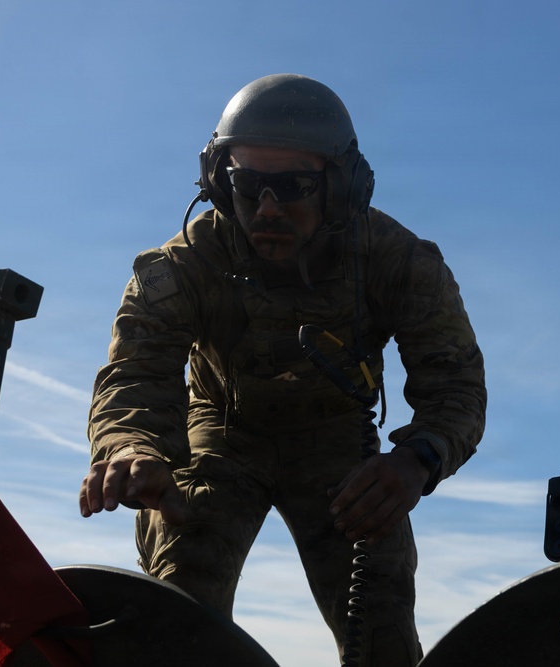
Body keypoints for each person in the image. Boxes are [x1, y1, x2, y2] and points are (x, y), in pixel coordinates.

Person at [78, 73, 486, 666]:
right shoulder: (184, 264)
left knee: (380, 619)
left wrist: (415, 462)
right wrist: (132, 448)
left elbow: (455, 386)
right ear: (221, 181)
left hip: (336, 440)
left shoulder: (399, 263)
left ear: (341, 188)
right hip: (219, 432)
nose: (268, 208)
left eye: (293, 186)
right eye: (249, 185)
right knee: (179, 598)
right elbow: (135, 374)